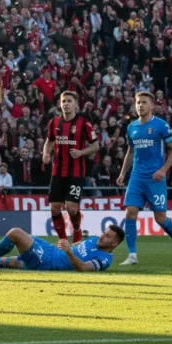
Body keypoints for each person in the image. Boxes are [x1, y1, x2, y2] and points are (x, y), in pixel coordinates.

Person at [115, 91, 172, 265]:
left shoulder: (161, 126)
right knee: (130, 212)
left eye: (144, 102)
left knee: (160, 218)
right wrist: (123, 173)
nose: (140, 105)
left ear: (152, 105)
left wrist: (163, 170)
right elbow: (131, 151)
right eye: (138, 102)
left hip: (155, 178)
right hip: (137, 177)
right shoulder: (132, 127)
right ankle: (132, 255)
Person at [42, 91, 99, 243]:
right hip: (57, 172)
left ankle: (77, 231)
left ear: (76, 104)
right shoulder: (54, 123)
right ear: (60, 104)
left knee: (72, 208)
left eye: (69, 101)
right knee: (54, 208)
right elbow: (49, 142)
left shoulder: (84, 124)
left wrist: (81, 152)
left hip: (76, 173)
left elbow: (95, 146)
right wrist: (45, 154)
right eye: (63, 101)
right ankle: (63, 241)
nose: (66, 104)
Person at [0, 225, 124, 272]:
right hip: (50, 251)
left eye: (107, 236)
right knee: (2, 262)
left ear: (114, 244)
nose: (102, 236)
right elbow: (78, 247)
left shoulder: (104, 259)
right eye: (104, 232)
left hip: (47, 261)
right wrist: (70, 246)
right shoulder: (94, 239)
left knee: (15, 233)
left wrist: (69, 251)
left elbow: (84, 268)